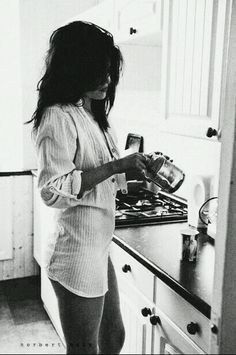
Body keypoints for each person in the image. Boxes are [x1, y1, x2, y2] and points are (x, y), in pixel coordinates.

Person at [27, 21, 149, 354]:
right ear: (75, 69)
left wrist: (138, 173)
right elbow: (53, 190)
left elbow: (105, 179)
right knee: (84, 349)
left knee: (114, 337)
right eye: (100, 71)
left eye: (110, 72)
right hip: (75, 254)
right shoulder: (57, 116)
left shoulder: (92, 115)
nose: (108, 81)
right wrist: (117, 165)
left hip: (97, 247)